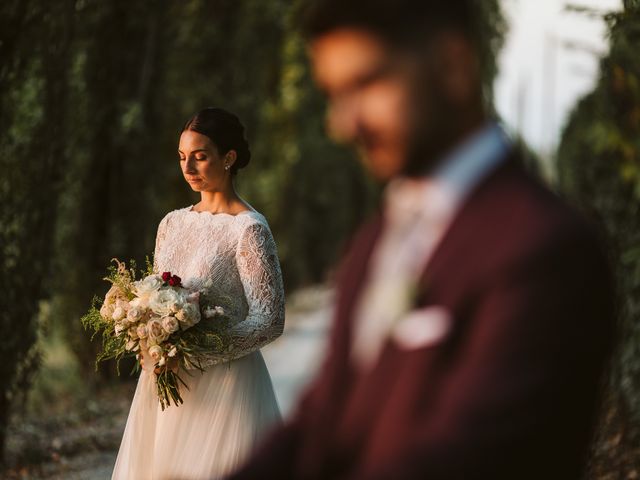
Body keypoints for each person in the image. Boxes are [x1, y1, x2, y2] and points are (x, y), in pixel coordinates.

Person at [229, 1, 614, 479]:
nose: (343, 124)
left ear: (453, 65)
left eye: (367, 84)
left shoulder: (545, 250)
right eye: (334, 95)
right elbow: (321, 424)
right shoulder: (374, 240)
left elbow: (468, 459)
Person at [112, 107, 285, 480]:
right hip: (166, 383)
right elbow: (155, 292)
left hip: (227, 387)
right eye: (181, 157)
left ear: (229, 158)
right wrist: (145, 328)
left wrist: (197, 351)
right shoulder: (171, 223)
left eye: (200, 156)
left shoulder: (249, 230)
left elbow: (269, 319)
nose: (188, 166)